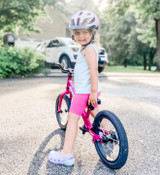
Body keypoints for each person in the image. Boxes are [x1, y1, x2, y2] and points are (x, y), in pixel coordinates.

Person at [48, 10, 101, 166]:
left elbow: (93, 71)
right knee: (93, 109)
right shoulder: (87, 48)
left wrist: (92, 92)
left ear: (92, 32)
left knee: (72, 119)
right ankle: (106, 130)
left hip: (85, 91)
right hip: (90, 89)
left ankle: (66, 154)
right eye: (77, 33)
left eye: (85, 32)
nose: (81, 36)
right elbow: (85, 68)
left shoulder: (89, 49)